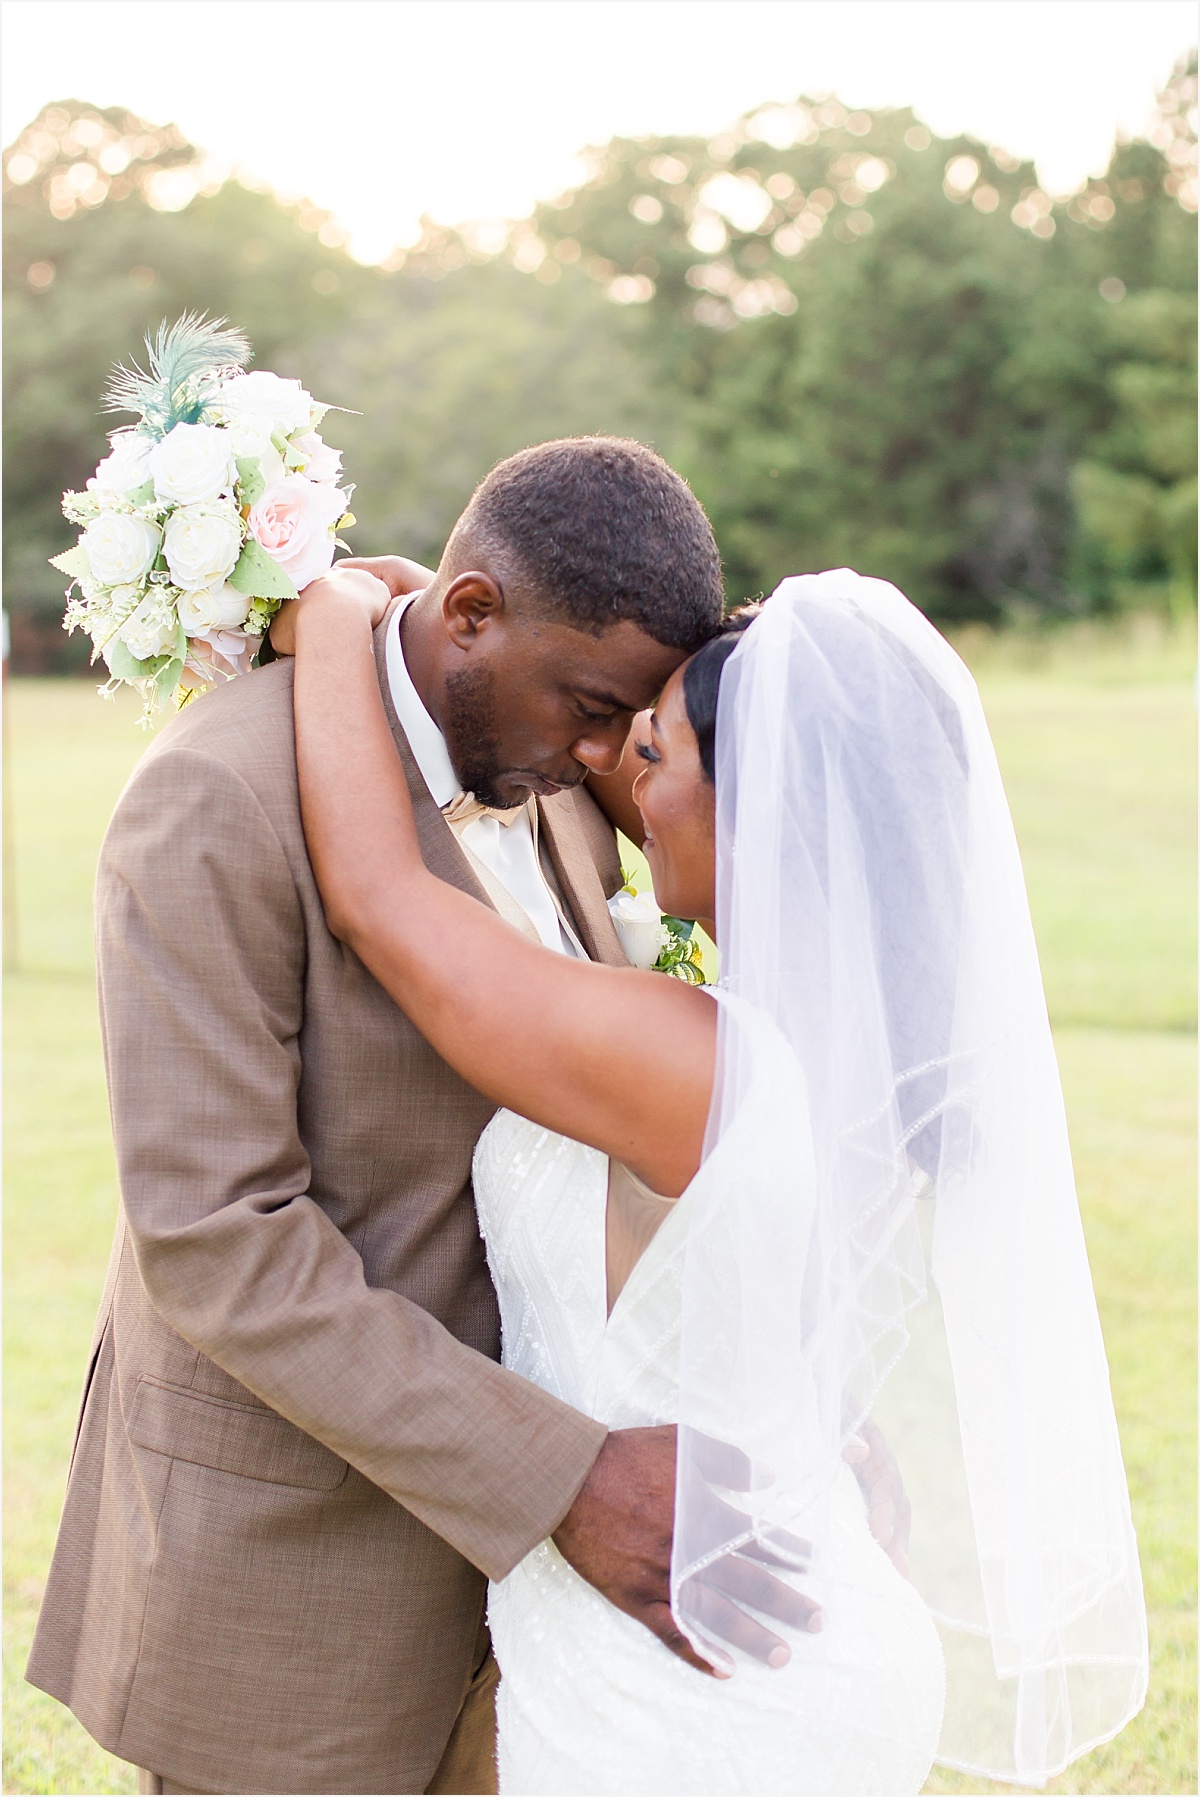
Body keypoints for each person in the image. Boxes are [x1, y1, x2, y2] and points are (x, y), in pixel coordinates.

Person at [281, 561, 1149, 1795]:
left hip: (704, 1689)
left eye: (653, 748)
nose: (611, 770)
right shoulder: (858, 1050)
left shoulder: (694, 1062)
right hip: (756, 1622)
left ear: (760, 806)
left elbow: (379, 898)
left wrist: (332, 619)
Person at [29, 438, 808, 1796]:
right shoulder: (218, 801)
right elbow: (218, 1240)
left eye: (628, 728)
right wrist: (563, 1476)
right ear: (466, 613)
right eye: (584, 705)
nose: (594, 760)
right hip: (300, 1590)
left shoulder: (554, 773)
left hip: (546, 1630)